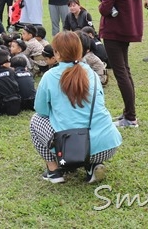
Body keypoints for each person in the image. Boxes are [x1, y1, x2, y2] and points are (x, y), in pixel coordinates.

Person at [30, 31, 122, 184]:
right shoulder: (91, 74)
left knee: (35, 121)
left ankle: (54, 171)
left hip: (73, 147)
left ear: (57, 54)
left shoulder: (50, 76)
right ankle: (91, 166)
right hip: (107, 146)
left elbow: (41, 110)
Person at [98, 0, 145, 128]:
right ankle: (128, 113)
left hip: (114, 31)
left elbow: (104, 9)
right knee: (125, 70)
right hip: (127, 30)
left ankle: (130, 117)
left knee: (120, 73)